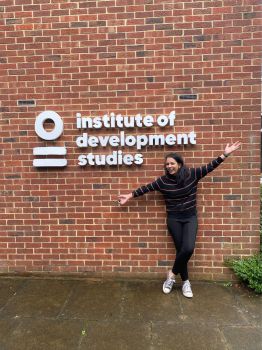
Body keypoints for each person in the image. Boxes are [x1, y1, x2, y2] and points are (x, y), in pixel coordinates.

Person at [118, 142, 241, 298]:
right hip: (174, 219)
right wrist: (129, 196)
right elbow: (146, 188)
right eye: (167, 164)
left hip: (190, 218)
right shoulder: (163, 181)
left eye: (172, 163)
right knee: (181, 251)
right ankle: (186, 282)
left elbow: (209, 167)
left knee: (188, 249)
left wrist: (225, 154)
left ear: (180, 164)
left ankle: (172, 274)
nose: (169, 166)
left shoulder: (192, 174)